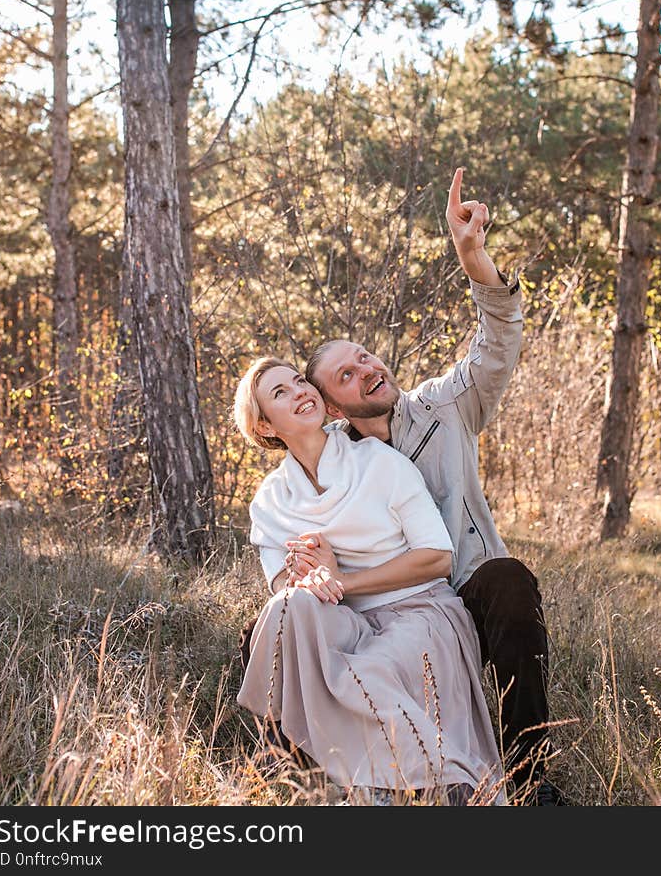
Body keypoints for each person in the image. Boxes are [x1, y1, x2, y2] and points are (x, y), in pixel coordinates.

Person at [302, 168, 563, 805]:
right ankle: (306, 776)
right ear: (332, 408)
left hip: (463, 583)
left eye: (364, 356)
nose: (367, 369)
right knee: (282, 625)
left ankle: (530, 783)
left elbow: (496, 347)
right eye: (345, 374)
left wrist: (474, 259)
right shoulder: (331, 463)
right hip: (389, 607)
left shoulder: (446, 408)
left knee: (507, 581)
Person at [233, 356, 505, 805]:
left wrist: (342, 579)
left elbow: (436, 558)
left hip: (420, 611)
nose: (301, 391)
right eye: (281, 393)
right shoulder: (272, 500)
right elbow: (283, 584)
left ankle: (443, 781)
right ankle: (287, 754)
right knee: (286, 608)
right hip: (347, 622)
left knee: (368, 671)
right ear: (264, 426)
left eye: (301, 382)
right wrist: (311, 580)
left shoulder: (379, 461)